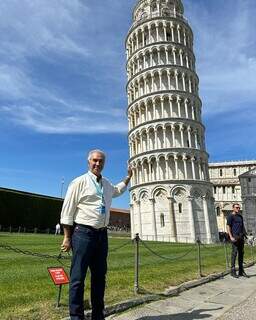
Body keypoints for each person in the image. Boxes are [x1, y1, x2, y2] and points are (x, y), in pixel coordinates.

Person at [60, 149, 132, 320]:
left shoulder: (106, 184)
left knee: (100, 278)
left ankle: (98, 316)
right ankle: (76, 317)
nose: (97, 164)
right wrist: (67, 237)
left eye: (101, 161)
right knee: (78, 278)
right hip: (83, 234)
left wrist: (128, 177)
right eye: (94, 160)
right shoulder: (79, 182)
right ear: (88, 162)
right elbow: (67, 211)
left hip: (102, 236)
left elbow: (117, 191)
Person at [226, 203, 248, 278]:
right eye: (236, 207)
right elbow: (228, 227)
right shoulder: (230, 216)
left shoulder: (240, 216)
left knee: (241, 254)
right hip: (235, 237)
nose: (238, 209)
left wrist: (245, 235)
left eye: (239, 207)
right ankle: (232, 271)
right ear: (233, 208)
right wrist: (231, 237)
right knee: (234, 253)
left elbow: (242, 226)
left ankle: (241, 271)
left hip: (241, 237)